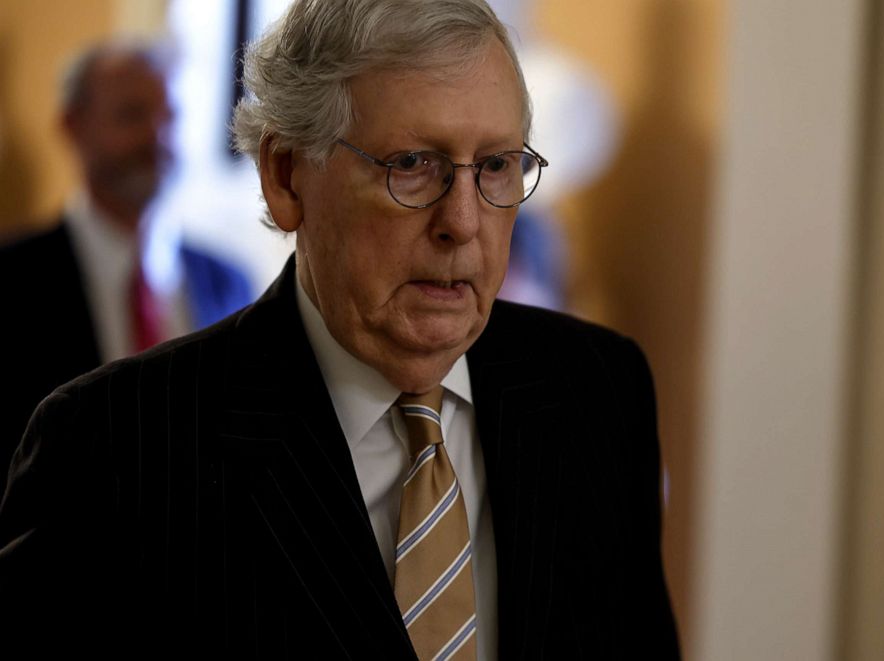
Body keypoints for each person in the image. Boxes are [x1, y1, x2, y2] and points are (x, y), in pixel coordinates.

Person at [0, 1, 680, 658]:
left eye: (497, 165)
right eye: (412, 164)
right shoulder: (113, 446)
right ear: (286, 176)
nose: (464, 222)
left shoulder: (600, 392)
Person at [0, 41, 253, 494]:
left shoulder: (230, 283)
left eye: (170, 115)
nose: (157, 136)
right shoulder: (12, 280)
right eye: (132, 114)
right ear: (73, 126)